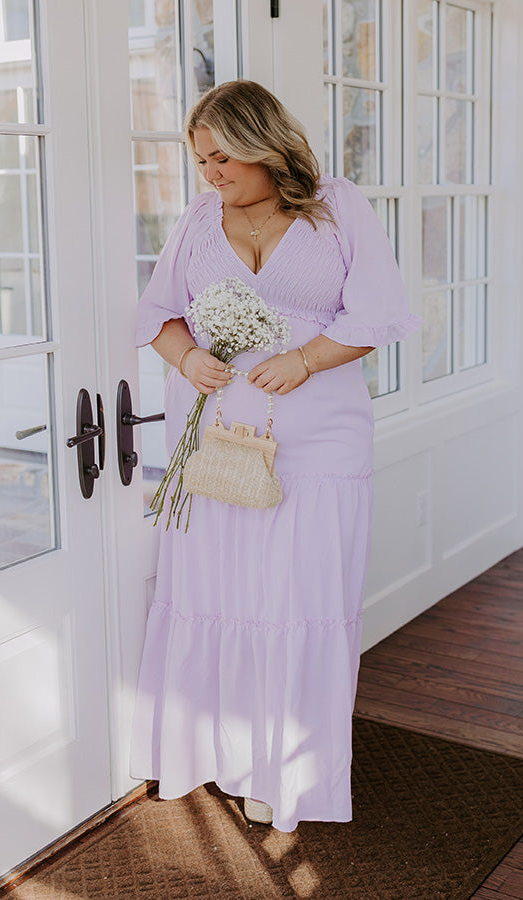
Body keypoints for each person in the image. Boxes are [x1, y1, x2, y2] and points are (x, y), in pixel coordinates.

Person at [130, 79, 421, 832]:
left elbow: (380, 313)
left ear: (265, 144)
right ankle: (217, 752)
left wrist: (308, 359)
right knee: (220, 594)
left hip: (319, 437)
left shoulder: (335, 205)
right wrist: (188, 358)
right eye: (201, 160)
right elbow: (158, 315)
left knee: (300, 600)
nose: (212, 174)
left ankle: (286, 774)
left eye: (223, 156)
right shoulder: (199, 219)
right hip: (219, 436)